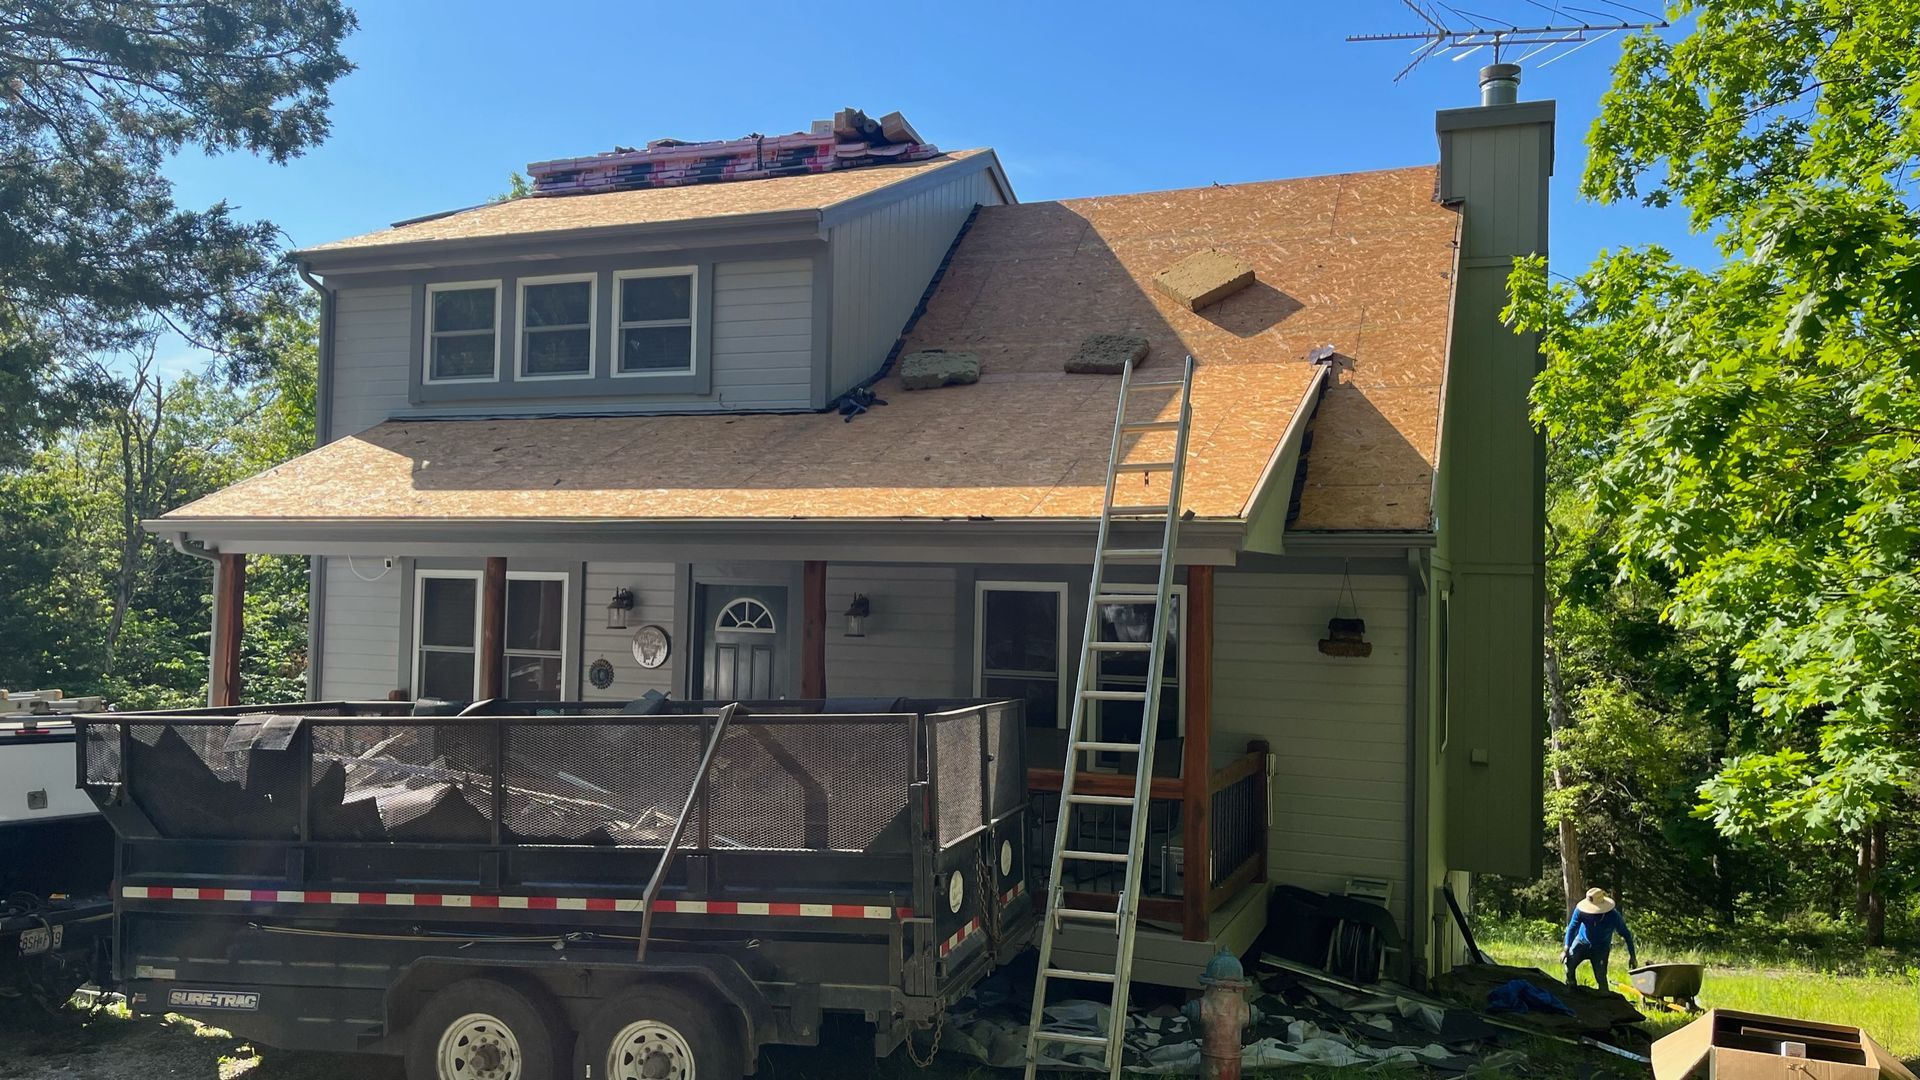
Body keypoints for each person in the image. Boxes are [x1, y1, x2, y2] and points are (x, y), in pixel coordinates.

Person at [1563, 887, 1637, 990]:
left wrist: (1632, 956)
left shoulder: (1613, 916)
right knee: (1569, 964)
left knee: (1601, 976)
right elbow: (1571, 928)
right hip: (1581, 942)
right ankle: (1571, 989)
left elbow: (1626, 934)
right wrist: (1567, 947)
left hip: (1601, 947)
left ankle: (1604, 998)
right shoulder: (1580, 911)